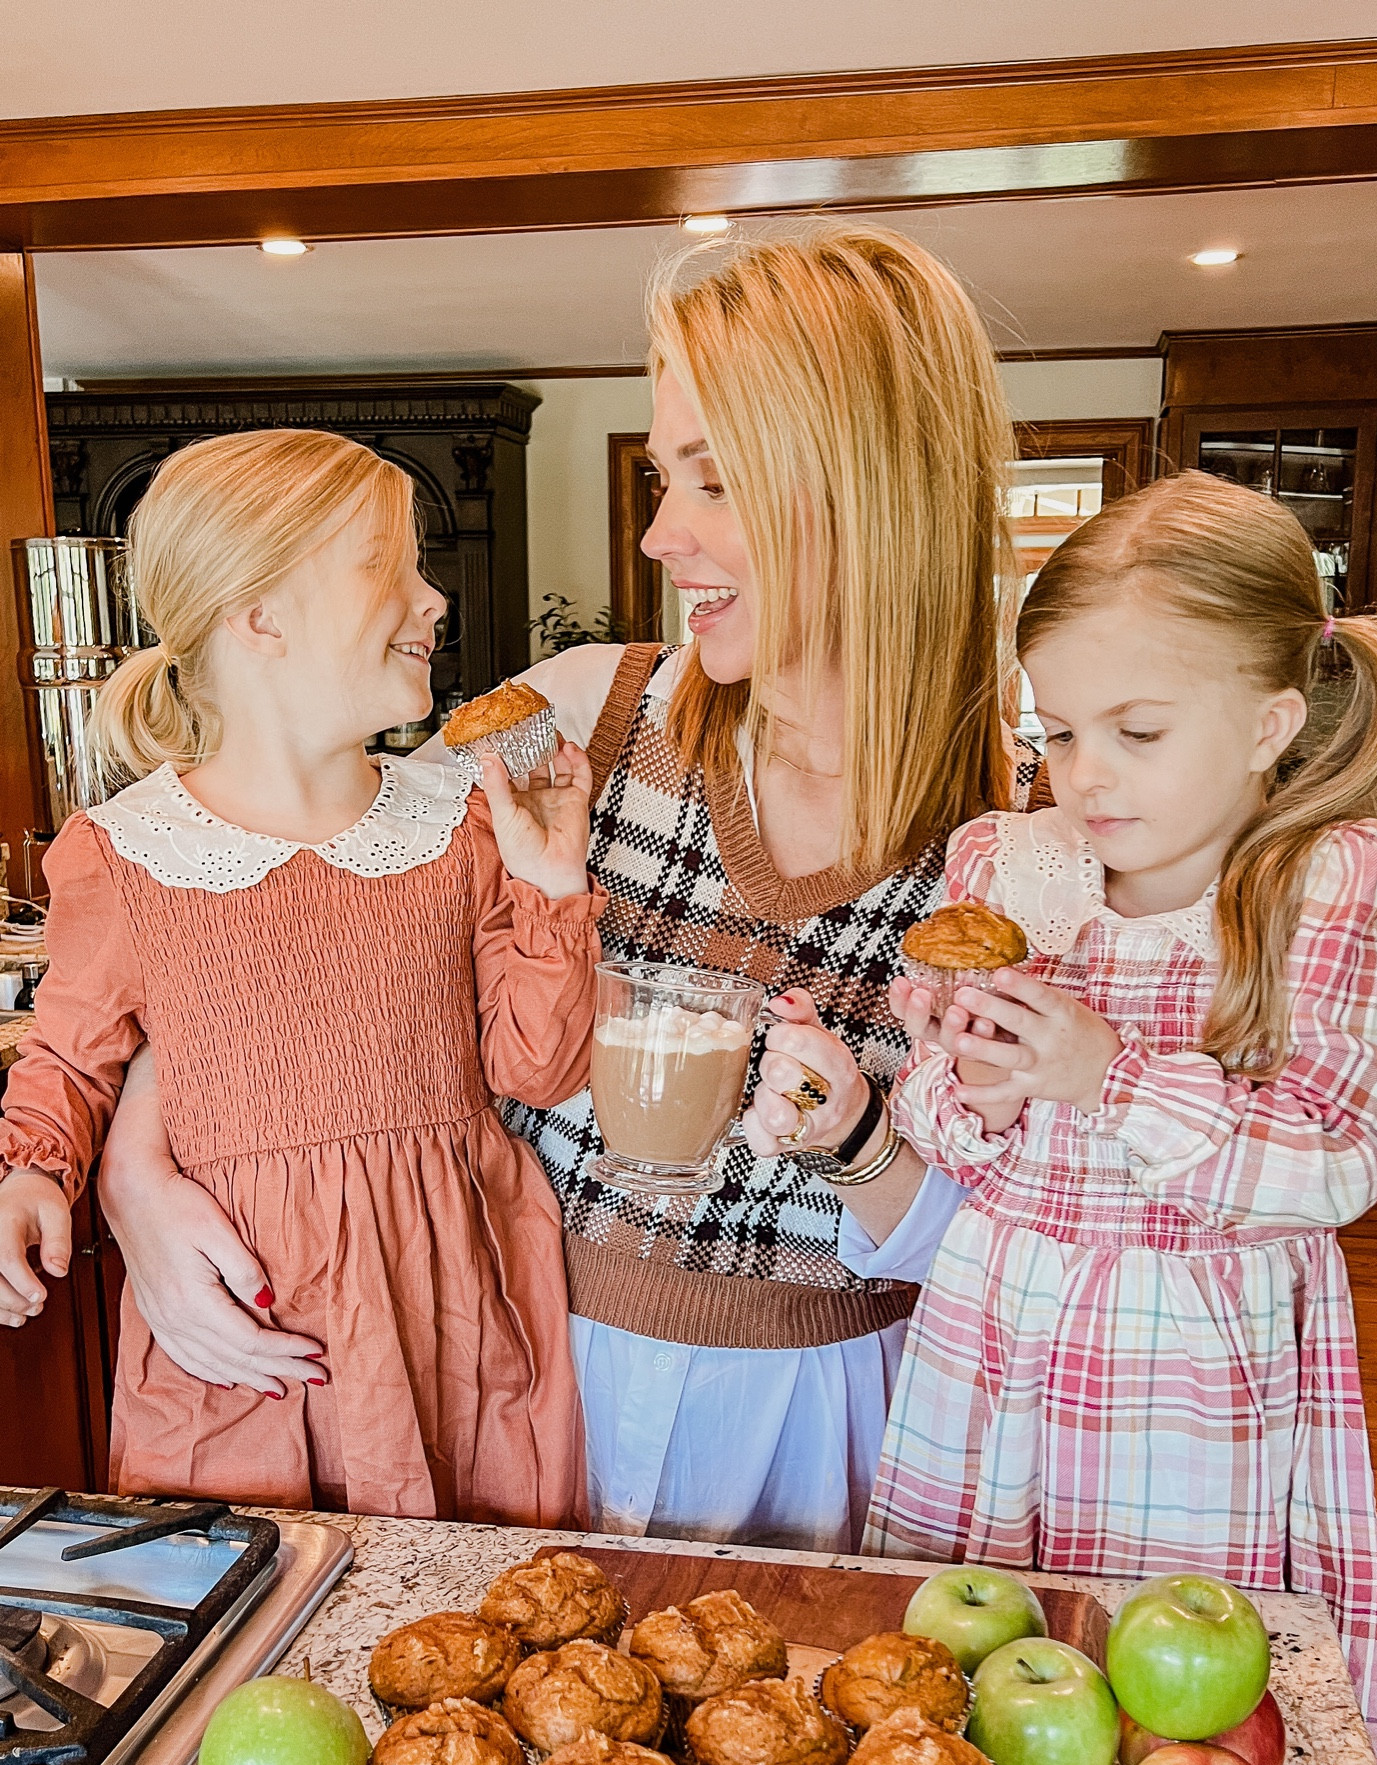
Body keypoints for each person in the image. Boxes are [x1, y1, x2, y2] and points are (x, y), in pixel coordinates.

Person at [87, 224, 1043, 1552]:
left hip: (822, 1420)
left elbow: (1006, 1247)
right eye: (663, 475)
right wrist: (134, 1175)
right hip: (515, 1374)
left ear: (869, 486)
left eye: (711, 480)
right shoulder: (581, 716)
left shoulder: (1015, 859)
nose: (660, 535)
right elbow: (287, 906)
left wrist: (863, 1136)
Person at [752, 469, 1377, 1765]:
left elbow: (1340, 1152)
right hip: (993, 1325)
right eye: (1060, 730)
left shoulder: (1315, 889)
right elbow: (951, 1132)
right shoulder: (1009, 874)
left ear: (1271, 722)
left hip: (1189, 1358)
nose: (1084, 773)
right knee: (964, 1662)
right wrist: (991, 1089)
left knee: (1166, 1681)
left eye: (1137, 731)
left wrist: (1111, 1075)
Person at [0, 428, 600, 1526]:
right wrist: (29, 1173)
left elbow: (540, 1066)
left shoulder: (459, 820)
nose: (433, 599)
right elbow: (69, 1052)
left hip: (450, 1290)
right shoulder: (125, 849)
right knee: (256, 1614)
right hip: (244, 1312)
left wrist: (554, 885)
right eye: (386, 564)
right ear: (259, 614)